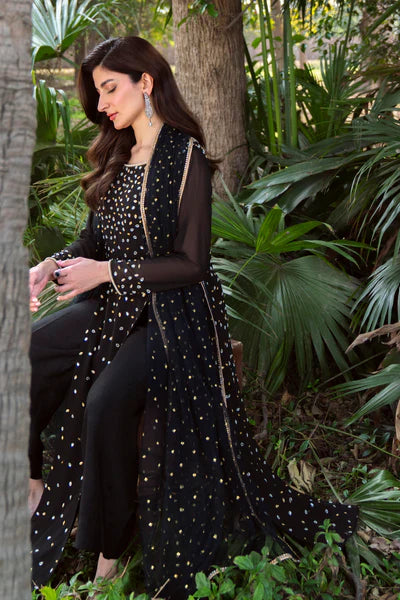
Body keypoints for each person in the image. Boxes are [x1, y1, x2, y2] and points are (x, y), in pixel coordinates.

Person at [29, 36, 358, 600]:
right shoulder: (117, 153)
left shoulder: (185, 157)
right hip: (114, 303)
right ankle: (32, 485)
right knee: (28, 353)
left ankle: (109, 551)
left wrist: (105, 273)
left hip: (173, 315)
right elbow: (91, 242)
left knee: (106, 402)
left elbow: (191, 264)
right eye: (97, 93)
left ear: (146, 82)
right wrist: (50, 265)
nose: (101, 104)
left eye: (110, 88)